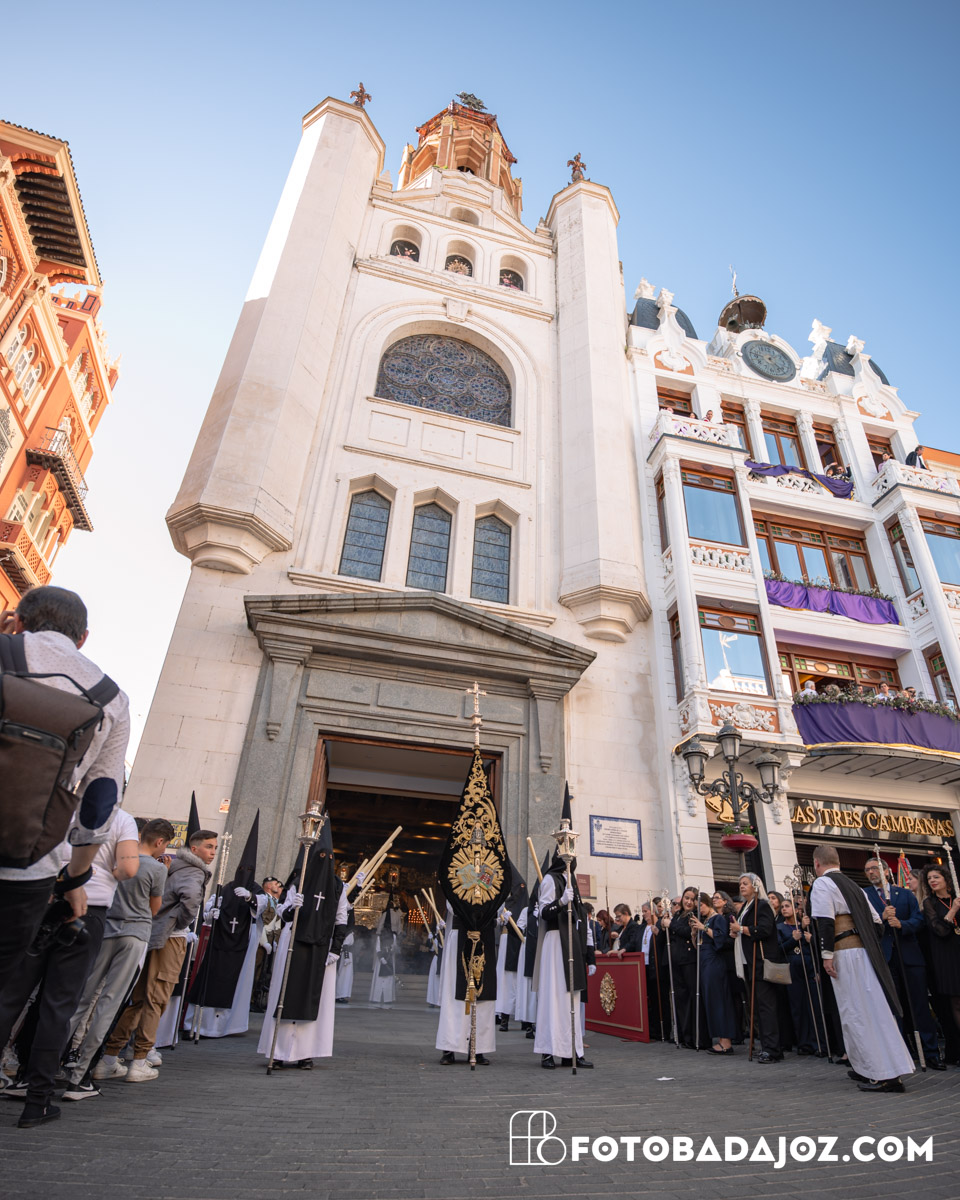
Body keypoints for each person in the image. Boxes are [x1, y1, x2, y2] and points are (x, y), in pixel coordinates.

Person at [0, 587, 129, 997]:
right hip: (29, 869)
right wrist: (75, 877)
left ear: (18, 620)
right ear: (83, 638)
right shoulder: (110, 697)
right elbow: (100, 803)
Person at [0, 802, 138, 1125]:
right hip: (88, 910)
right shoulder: (120, 818)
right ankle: (37, 1100)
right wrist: (107, 875)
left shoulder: (54, 803)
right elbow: (129, 868)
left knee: (9, 998)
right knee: (59, 1007)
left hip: (38, 901)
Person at [62, 819, 173, 1099]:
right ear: (160, 842)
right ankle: (80, 1075)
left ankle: (53, 1063)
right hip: (135, 933)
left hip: (108, 928)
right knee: (110, 1003)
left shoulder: (121, 858)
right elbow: (155, 908)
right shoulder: (157, 868)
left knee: (83, 998)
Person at [98, 829, 217, 1081]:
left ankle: (109, 1056)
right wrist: (179, 923)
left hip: (151, 934)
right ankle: (139, 1059)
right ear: (194, 849)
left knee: (139, 999)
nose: (213, 852)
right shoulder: (193, 870)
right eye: (209, 847)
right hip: (170, 939)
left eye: (215, 847)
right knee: (156, 1000)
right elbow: (190, 900)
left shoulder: (171, 864)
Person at [810, 844, 914, 1092]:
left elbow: (825, 921)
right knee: (867, 1009)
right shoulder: (855, 886)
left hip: (845, 954)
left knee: (857, 1012)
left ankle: (884, 1074)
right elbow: (877, 924)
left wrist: (827, 955)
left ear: (816, 864)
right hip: (863, 954)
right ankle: (866, 1066)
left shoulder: (823, 884)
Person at [257, 818, 348, 1069]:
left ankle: (306, 1052)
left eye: (329, 857)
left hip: (322, 947)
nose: (325, 860)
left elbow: (342, 919)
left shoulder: (338, 887)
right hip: (294, 943)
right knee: (286, 993)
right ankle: (278, 1051)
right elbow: (282, 914)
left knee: (313, 998)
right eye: (321, 856)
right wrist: (292, 907)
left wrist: (335, 949)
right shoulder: (300, 881)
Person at [863, 858, 942, 1069]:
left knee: (919, 1005)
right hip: (886, 958)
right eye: (867, 870)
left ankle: (930, 1052)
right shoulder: (865, 896)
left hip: (909, 956)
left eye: (874, 868)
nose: (871, 872)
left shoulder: (904, 894)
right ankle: (902, 1053)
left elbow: (919, 920)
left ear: (886, 871)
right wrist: (881, 918)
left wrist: (902, 924)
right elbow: (864, 926)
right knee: (894, 1007)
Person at [533, 842, 592, 1070]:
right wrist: (560, 902)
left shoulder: (571, 881)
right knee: (553, 997)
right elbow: (544, 913)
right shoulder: (550, 880)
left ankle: (571, 1052)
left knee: (571, 998)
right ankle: (548, 1051)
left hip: (572, 943)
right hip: (556, 941)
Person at [729, 872, 783, 1063]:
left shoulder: (763, 905)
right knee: (758, 1007)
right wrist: (736, 933)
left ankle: (773, 1049)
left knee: (766, 1007)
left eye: (745, 883)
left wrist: (742, 929)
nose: (742, 886)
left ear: (756, 886)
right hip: (748, 962)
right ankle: (766, 1046)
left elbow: (765, 929)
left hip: (760, 961)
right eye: (740, 884)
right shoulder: (745, 907)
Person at [776, 895, 826, 1057]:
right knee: (797, 1006)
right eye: (782, 907)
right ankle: (804, 1043)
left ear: (795, 909)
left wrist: (806, 934)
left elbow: (815, 947)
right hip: (792, 968)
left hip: (809, 966)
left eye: (787, 906)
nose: (784, 909)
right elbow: (779, 949)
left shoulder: (805, 925)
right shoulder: (780, 928)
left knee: (815, 1005)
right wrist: (793, 939)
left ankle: (820, 1043)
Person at [919, 864, 960, 1050]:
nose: (932, 881)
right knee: (956, 1002)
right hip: (947, 957)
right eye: (929, 879)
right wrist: (953, 911)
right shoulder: (930, 903)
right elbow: (940, 930)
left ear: (946, 879)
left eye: (936, 877)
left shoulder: (957, 896)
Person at [662, 887, 706, 1049]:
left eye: (692, 899)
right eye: (686, 898)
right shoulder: (678, 915)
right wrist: (664, 924)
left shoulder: (695, 915)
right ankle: (684, 1035)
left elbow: (687, 932)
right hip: (676, 961)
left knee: (692, 998)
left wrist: (671, 924)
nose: (688, 902)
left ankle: (696, 1037)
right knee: (680, 999)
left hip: (689, 960)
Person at [692, 893, 735, 1054]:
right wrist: (694, 933)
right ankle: (720, 1039)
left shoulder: (718, 919)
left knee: (719, 1000)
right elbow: (699, 945)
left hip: (714, 962)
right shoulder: (706, 921)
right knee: (711, 1000)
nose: (699, 910)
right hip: (705, 962)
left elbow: (721, 939)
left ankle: (726, 1042)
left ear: (707, 903)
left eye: (700, 906)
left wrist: (703, 928)